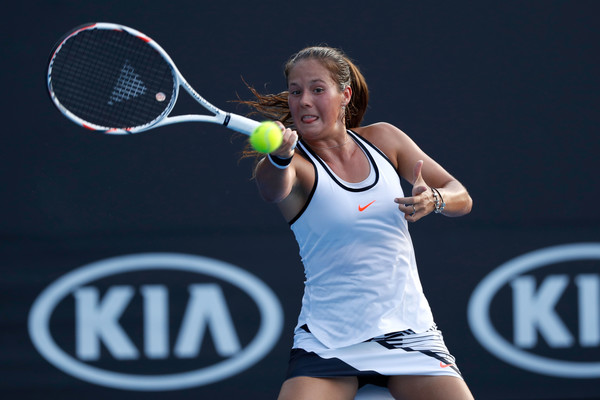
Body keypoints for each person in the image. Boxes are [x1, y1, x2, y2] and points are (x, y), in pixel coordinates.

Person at [243, 46, 474, 400]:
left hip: (409, 330)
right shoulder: (293, 166)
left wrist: (436, 199)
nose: (304, 100)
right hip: (329, 339)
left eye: (317, 89)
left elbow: (461, 196)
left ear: (344, 95)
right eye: (295, 91)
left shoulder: (385, 139)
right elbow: (273, 190)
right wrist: (278, 158)